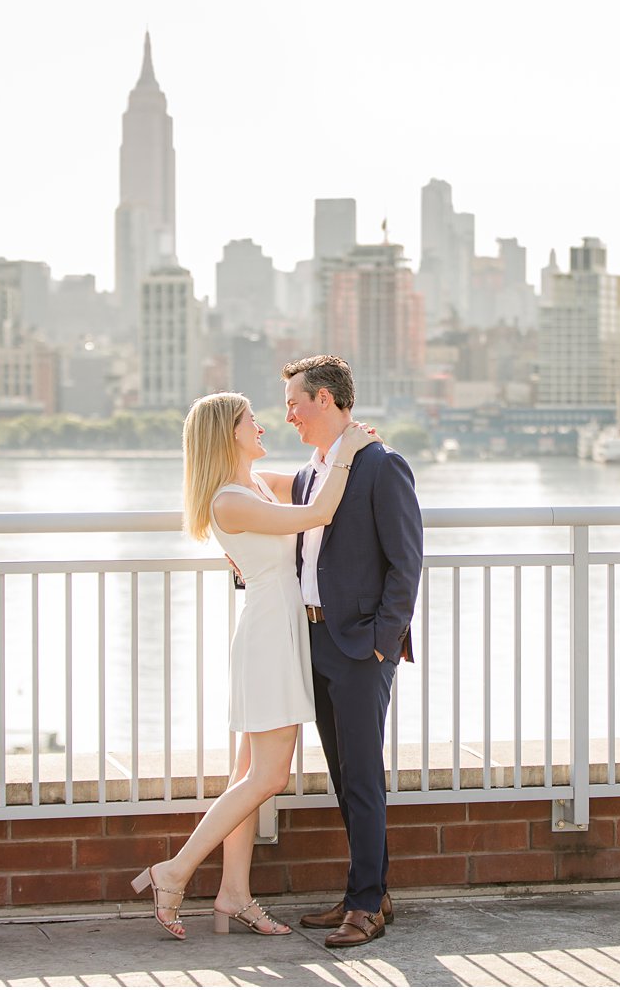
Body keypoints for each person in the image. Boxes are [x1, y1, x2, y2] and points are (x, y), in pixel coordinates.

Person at [132, 391, 374, 940]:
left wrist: (343, 449)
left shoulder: (256, 486)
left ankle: (234, 894)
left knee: (246, 774)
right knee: (268, 776)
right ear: (228, 433)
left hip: (276, 629)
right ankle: (174, 872)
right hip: (268, 636)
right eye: (250, 421)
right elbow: (318, 511)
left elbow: (311, 483)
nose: (263, 425)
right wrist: (350, 445)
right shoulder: (229, 500)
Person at [281, 355, 423, 949]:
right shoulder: (305, 476)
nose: (287, 413)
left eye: (294, 402)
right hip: (314, 641)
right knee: (344, 775)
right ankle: (371, 891)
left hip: (360, 648)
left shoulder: (381, 466)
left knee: (363, 776)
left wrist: (380, 646)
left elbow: (406, 563)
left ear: (325, 399)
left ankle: (365, 905)